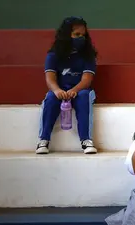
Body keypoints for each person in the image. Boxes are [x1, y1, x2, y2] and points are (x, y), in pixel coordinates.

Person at [36, 16, 98, 154]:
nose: (80, 38)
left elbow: (87, 80)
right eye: (76, 34)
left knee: (84, 96)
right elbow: (50, 78)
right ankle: (43, 140)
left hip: (81, 90)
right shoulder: (53, 55)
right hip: (59, 90)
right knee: (50, 98)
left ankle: (86, 141)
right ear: (66, 35)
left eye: (83, 35)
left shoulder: (88, 56)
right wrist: (57, 90)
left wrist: (74, 90)